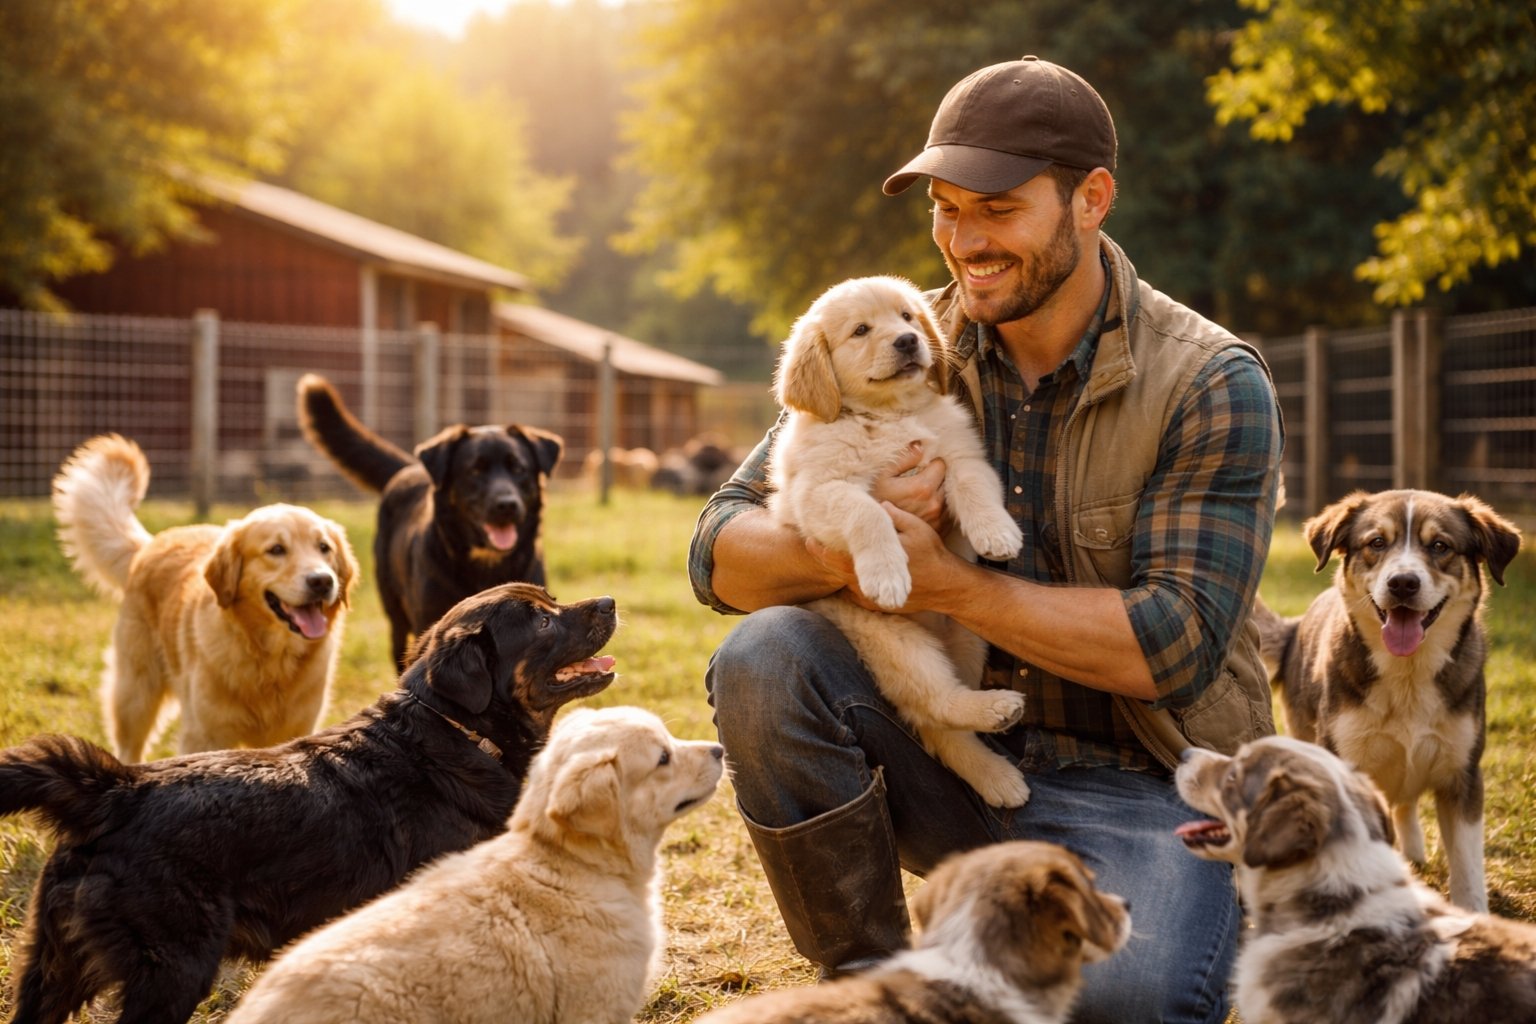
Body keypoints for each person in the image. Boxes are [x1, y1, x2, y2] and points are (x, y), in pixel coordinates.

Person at [689, 55, 1282, 1024]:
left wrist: (949, 582)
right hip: (944, 760)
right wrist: (850, 543)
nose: (965, 240)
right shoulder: (903, 333)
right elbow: (718, 548)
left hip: (1147, 787)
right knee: (765, 654)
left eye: (997, 209)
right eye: (947, 209)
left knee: (1125, 1001)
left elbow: (1169, 646)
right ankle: (871, 987)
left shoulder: (1211, 381)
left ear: (1091, 200)